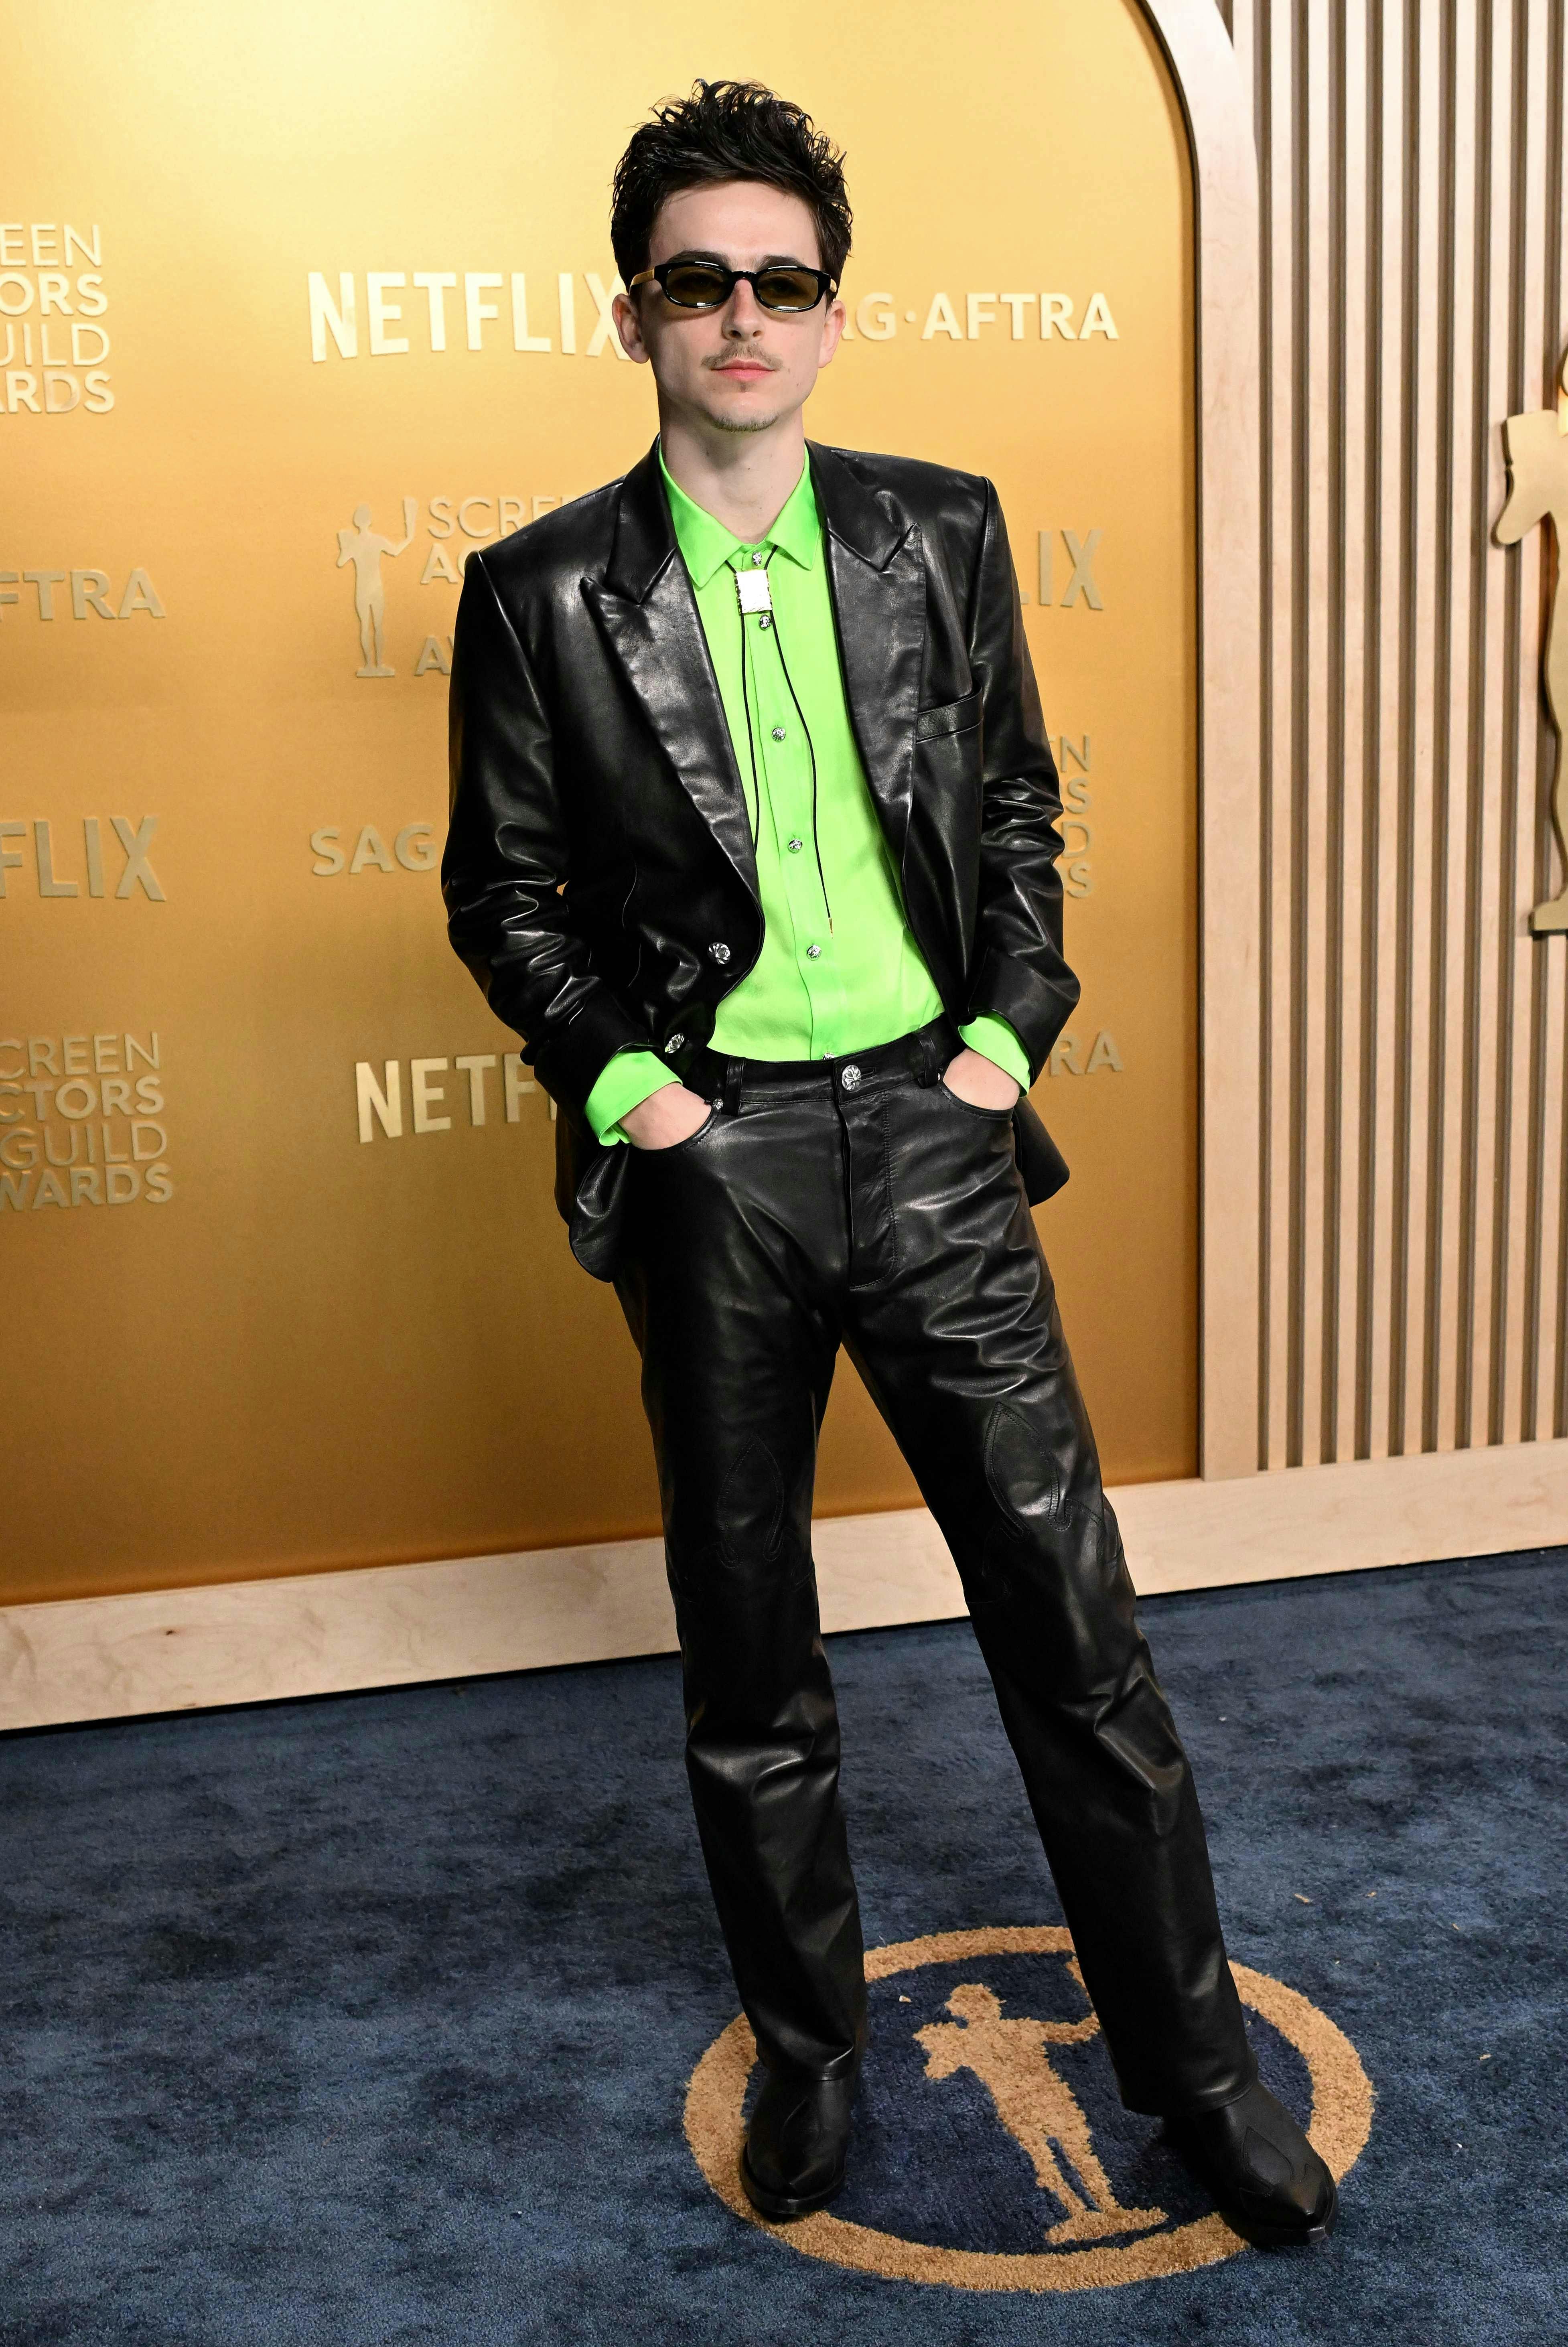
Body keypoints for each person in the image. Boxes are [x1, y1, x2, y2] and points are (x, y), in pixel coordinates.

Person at [442, 79, 1336, 2248]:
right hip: (713, 1163)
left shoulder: (937, 529)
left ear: (830, 313)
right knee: (751, 1659)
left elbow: (1019, 807)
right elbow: (505, 894)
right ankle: (817, 2064)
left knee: (1077, 1636)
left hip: (935, 1149)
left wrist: (1002, 1038)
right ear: (634, 312)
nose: (738, 317)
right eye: (695, 282)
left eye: (778, 282)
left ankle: (1197, 2076)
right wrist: (638, 1095)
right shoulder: (540, 590)